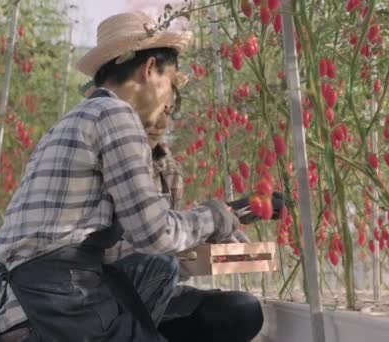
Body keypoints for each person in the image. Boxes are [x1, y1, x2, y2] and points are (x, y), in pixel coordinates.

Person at [0, 12, 245, 342]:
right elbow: (154, 233)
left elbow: (131, 248)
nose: (167, 105)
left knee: (201, 292)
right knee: (183, 284)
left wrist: (204, 232)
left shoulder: (75, 121)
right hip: (54, 302)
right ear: (149, 69)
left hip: (26, 301)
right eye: (170, 83)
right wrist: (215, 217)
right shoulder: (116, 114)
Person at [82, 72, 265, 341]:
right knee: (160, 263)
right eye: (149, 107)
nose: (160, 120)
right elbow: (128, 252)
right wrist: (203, 228)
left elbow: (164, 259)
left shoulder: (170, 172)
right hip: (97, 297)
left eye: (168, 109)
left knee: (242, 311)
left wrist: (213, 247)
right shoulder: (89, 160)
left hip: (149, 297)